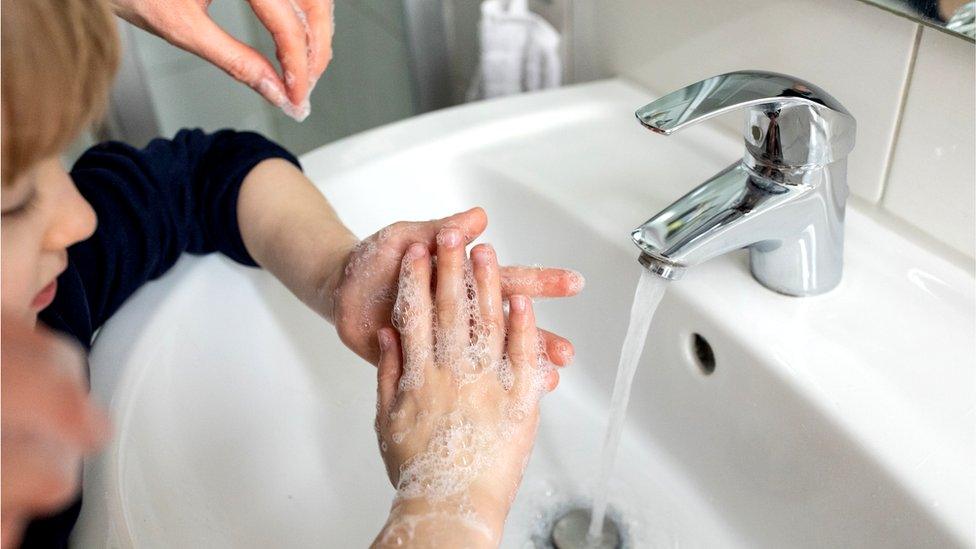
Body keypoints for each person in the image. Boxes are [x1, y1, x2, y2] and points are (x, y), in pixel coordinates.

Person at [0, 0, 583, 547]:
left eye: (53, 160)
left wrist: (337, 275)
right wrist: (451, 501)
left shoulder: (51, 294)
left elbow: (199, 180)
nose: (77, 218)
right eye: (17, 201)